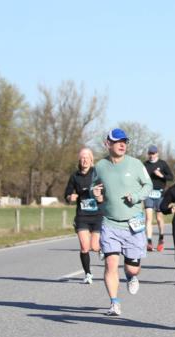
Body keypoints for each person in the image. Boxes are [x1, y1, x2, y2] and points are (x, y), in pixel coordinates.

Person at [93, 128, 152, 316]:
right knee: (111, 264)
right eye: (117, 141)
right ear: (107, 143)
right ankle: (114, 302)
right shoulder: (100, 166)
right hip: (110, 223)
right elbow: (93, 187)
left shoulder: (135, 164)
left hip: (133, 224)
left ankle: (131, 276)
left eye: (124, 141)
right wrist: (94, 194)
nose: (122, 145)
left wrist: (136, 197)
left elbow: (148, 185)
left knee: (132, 268)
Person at [63, 147, 103, 284]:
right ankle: (88, 274)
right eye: (82, 158)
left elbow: (106, 191)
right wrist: (70, 197)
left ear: (91, 160)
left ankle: (102, 249)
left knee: (95, 246)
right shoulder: (75, 176)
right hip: (82, 215)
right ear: (79, 160)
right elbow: (67, 193)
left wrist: (100, 196)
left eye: (87, 157)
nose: (84, 160)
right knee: (85, 247)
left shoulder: (97, 174)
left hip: (97, 214)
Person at [143, 145, 173, 252]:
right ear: (148, 154)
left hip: (160, 194)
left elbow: (171, 177)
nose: (152, 155)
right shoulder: (145, 165)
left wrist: (161, 175)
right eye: (150, 153)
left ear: (157, 153)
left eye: (154, 153)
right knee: (148, 218)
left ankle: (161, 239)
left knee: (159, 218)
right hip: (148, 194)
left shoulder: (162, 164)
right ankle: (149, 242)